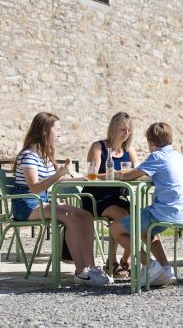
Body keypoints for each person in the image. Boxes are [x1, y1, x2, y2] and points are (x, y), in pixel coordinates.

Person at [10, 112, 111, 286]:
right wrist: (59, 173)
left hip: (44, 202)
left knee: (86, 215)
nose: (60, 134)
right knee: (70, 218)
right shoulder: (28, 155)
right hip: (26, 204)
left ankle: (91, 268)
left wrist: (82, 179)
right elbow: (34, 187)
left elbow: (59, 180)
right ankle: (81, 272)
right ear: (44, 131)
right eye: (57, 130)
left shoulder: (45, 156)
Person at [110, 122, 183, 287]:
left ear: (151, 141)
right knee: (146, 234)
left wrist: (115, 175)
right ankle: (166, 270)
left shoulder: (157, 156)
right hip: (180, 212)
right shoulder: (176, 155)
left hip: (162, 212)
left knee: (115, 229)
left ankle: (150, 265)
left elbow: (129, 176)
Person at [76, 111, 137, 278]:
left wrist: (127, 174)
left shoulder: (128, 150)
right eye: (122, 129)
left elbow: (135, 171)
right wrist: (115, 174)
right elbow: (91, 176)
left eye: (128, 130)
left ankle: (126, 259)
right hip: (96, 197)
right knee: (122, 216)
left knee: (139, 215)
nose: (126, 133)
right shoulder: (98, 147)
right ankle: (112, 261)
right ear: (113, 128)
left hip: (117, 196)